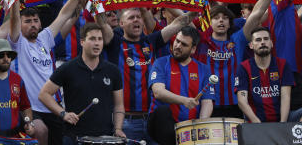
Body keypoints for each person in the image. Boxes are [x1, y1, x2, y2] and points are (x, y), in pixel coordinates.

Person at [100, 8, 190, 143]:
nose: (136, 19)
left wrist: (198, 6)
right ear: (121, 23)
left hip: (152, 120)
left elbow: (179, 23)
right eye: (131, 17)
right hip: (125, 122)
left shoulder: (151, 41)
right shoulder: (115, 43)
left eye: (139, 17)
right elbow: (101, 23)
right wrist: (96, 3)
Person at [7, 0, 83, 145]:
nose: (33, 24)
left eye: (35, 20)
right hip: (28, 107)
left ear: (40, 23)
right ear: (20, 25)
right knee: (40, 131)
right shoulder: (16, 42)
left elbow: (64, 15)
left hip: (51, 105)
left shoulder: (44, 38)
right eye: (27, 21)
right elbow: (14, 18)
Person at [38, 23, 125, 144]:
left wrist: (118, 128)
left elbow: (119, 105)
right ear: (82, 42)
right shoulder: (68, 68)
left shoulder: (113, 70)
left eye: (100, 39)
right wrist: (63, 114)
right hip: (74, 137)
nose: (97, 43)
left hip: (105, 137)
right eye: (92, 39)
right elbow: (44, 94)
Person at [199, 0, 273, 119]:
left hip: (236, 104)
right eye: (216, 18)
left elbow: (256, 14)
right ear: (209, 22)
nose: (221, 21)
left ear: (230, 23)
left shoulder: (238, 39)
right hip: (208, 104)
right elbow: (182, 21)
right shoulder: (201, 42)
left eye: (225, 18)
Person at [147, 27, 216, 145]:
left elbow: (207, 102)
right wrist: (184, 101)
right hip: (161, 127)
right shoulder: (161, 63)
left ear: (193, 49)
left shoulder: (204, 69)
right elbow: (158, 92)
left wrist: (200, 126)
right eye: (177, 41)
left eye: (183, 44)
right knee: (163, 112)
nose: (178, 46)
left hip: (189, 128)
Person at [236, 26, 293, 123]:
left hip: (281, 120)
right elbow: (242, 101)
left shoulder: (283, 64)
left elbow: (285, 97)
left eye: (266, 39)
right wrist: (258, 124)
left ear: (271, 43)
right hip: (255, 122)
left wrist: (282, 124)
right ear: (251, 45)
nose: (262, 42)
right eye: (258, 40)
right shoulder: (244, 67)